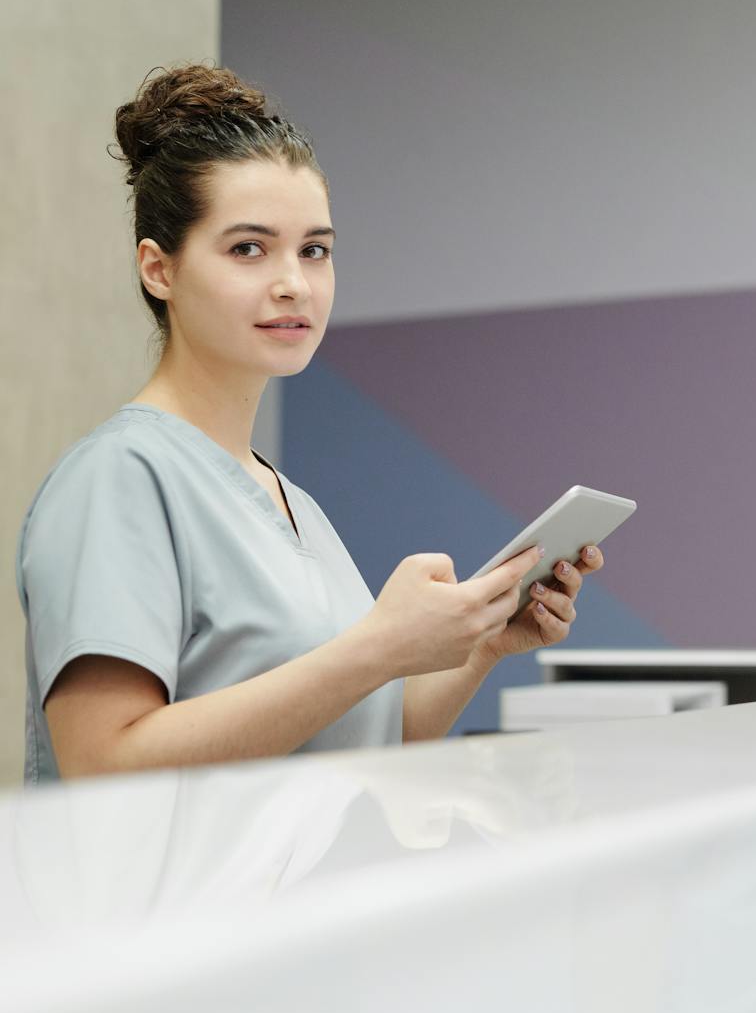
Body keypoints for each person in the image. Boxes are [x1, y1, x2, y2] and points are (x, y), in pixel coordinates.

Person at [16, 64, 603, 782]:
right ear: (158, 270)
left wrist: (478, 642)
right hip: (165, 899)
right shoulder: (117, 479)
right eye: (247, 249)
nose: (293, 281)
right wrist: (377, 648)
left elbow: (360, 740)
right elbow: (103, 766)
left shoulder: (293, 504)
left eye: (314, 250)